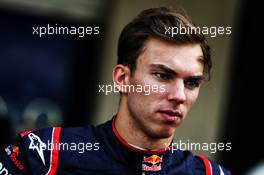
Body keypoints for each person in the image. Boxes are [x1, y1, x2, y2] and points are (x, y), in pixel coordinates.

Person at [0, 7, 230, 175]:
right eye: (162, 76)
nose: (179, 95)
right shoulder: (43, 154)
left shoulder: (211, 174)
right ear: (122, 78)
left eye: (191, 83)